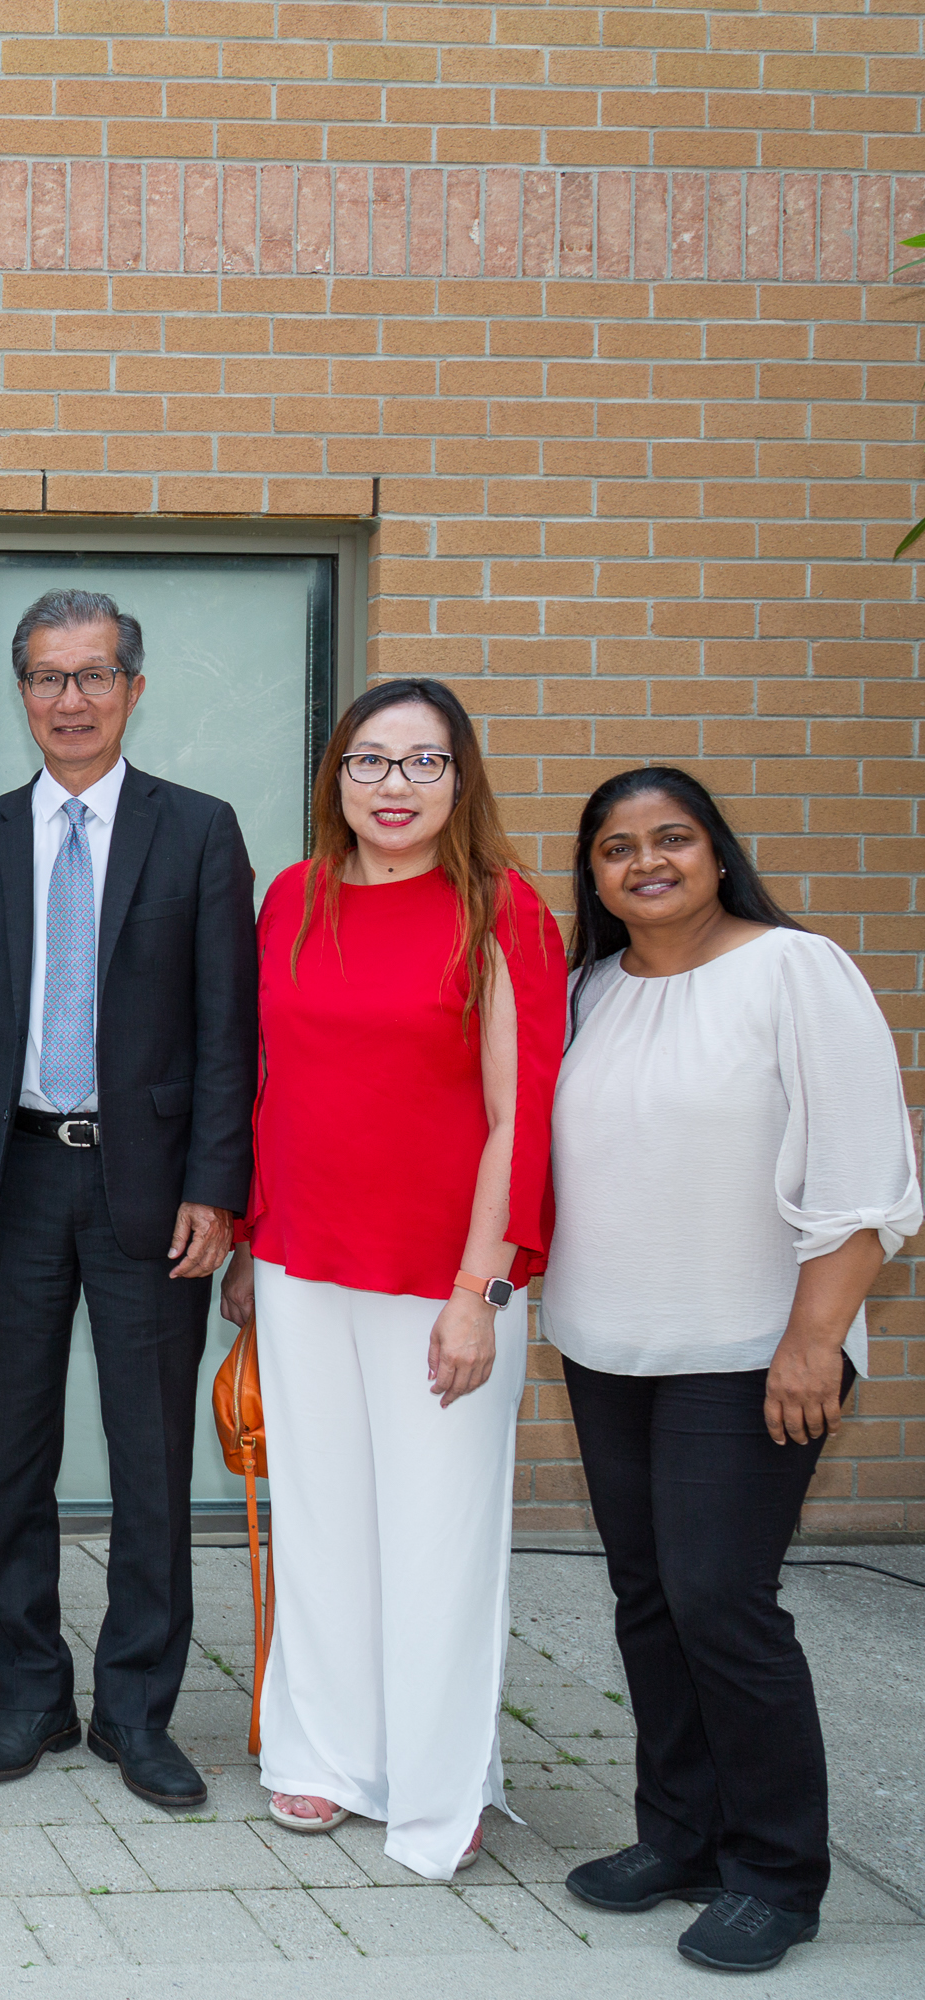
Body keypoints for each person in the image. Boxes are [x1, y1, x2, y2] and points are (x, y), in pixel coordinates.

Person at [543, 767, 919, 1974]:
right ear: (594, 873)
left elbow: (866, 1178)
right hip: (608, 1344)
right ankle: (682, 1836)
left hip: (753, 1350)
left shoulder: (795, 970)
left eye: (672, 838)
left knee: (721, 1599)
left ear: (716, 851)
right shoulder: (588, 990)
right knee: (650, 1598)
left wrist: (815, 1338)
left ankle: (777, 1871)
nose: (646, 861)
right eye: (617, 847)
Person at [216, 675, 565, 1881]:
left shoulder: (503, 908)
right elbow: (272, 1084)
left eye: (423, 762)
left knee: (436, 1535)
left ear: (460, 778)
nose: (395, 785)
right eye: (370, 760)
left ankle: (436, 1783)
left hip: (442, 1277)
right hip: (302, 1261)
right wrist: (252, 1243)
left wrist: (481, 1289)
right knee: (322, 1520)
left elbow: (520, 1115)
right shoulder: (292, 898)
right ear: (337, 778)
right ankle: (323, 1752)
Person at [0, 590, 259, 1812]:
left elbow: (229, 1026)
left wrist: (217, 1187)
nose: (71, 699)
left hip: (151, 1189)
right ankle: (29, 1695)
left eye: (94, 675)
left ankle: (135, 1709)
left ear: (133, 689)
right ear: (21, 692)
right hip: (11, 1181)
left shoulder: (199, 830)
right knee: (12, 1455)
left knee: (150, 1458)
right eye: (48, 678)